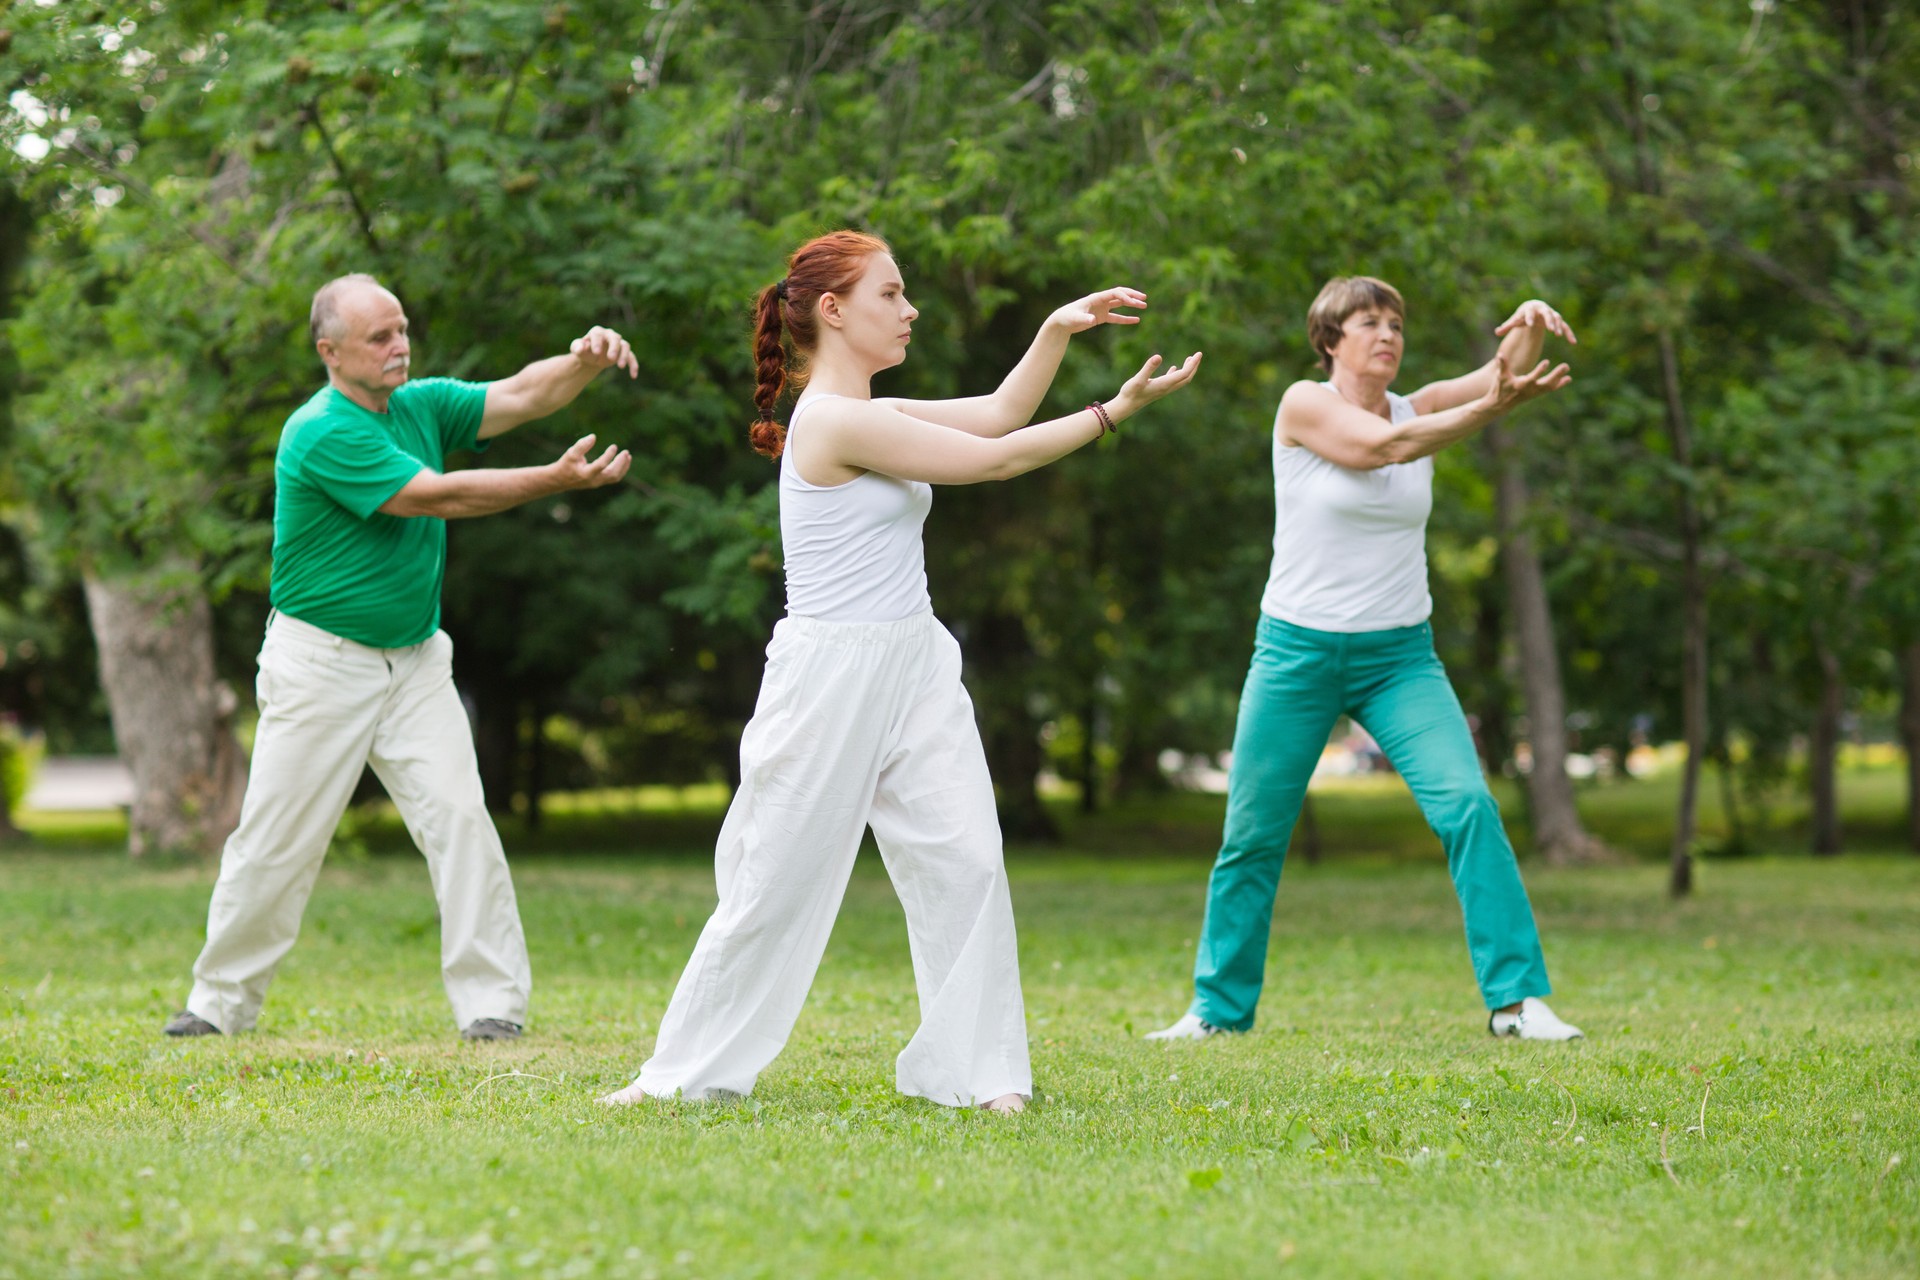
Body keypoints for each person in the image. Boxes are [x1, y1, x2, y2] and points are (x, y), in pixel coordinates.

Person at [599, 231, 1201, 1113]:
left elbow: (998, 413)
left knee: (966, 860)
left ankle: (982, 1074)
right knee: (774, 882)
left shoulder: (875, 409)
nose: (910, 308)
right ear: (834, 310)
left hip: (913, 660)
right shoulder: (838, 420)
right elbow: (995, 461)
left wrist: (1055, 331)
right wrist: (1113, 411)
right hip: (829, 676)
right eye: (892, 294)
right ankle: (682, 1077)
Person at [163, 273, 637, 1042]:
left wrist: (585, 360)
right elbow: (436, 496)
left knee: (460, 820)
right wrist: (551, 482)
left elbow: (520, 395)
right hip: (321, 666)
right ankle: (220, 1005)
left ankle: (493, 1008)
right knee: (277, 844)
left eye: (402, 329)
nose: (399, 346)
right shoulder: (320, 430)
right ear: (331, 351)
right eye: (379, 337)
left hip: (415, 664)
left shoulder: (419, 406)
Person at [1149, 277, 1585, 1043]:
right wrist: (1487, 409)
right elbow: (1383, 449)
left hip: (1399, 661)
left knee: (1468, 806)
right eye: (1368, 322)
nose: (1386, 334)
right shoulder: (1304, 405)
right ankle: (1217, 1012)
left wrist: (1531, 325)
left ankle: (1517, 1003)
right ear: (1330, 339)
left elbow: (1497, 377)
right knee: (1252, 834)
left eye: (1395, 323)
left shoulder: (1419, 406)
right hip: (1296, 655)